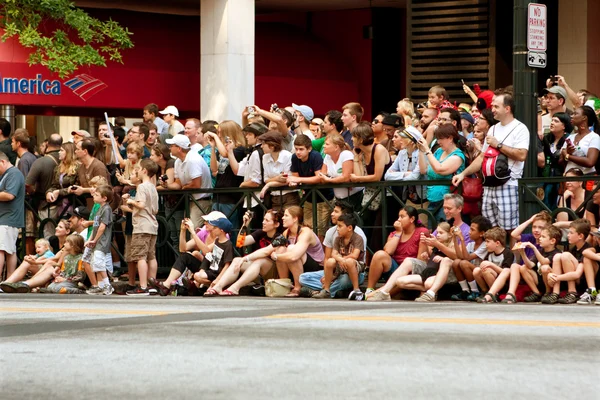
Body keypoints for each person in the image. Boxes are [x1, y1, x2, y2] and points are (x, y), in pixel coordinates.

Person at [453, 92, 530, 232]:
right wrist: (463, 174)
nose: (492, 109)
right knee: (490, 229)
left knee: (510, 230)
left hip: (508, 183)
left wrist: (498, 145)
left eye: (496, 106)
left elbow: (522, 155)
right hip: (489, 184)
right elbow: (482, 157)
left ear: (507, 109)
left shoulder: (520, 128)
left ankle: (510, 254)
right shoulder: (493, 128)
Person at [149, 215, 234, 296]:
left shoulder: (224, 239)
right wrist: (183, 230)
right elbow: (183, 249)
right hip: (208, 267)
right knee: (185, 256)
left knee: (196, 255)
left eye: (209, 222)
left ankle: (198, 286)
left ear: (220, 228)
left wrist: (193, 232)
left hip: (216, 271)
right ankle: (166, 285)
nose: (205, 223)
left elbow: (206, 251)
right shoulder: (204, 233)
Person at [205, 209, 283, 296]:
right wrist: (245, 225)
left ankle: (235, 288)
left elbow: (265, 252)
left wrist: (246, 258)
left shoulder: (280, 236)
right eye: (264, 219)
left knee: (259, 260)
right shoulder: (261, 233)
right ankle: (218, 286)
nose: (263, 222)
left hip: (275, 272)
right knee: (236, 260)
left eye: (267, 220)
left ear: (276, 224)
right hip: (259, 271)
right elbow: (240, 242)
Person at [299, 200, 367, 298]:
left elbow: (355, 257)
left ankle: (319, 291)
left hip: (353, 272)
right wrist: (329, 276)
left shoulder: (358, 234)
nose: (332, 214)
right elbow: (327, 258)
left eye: (336, 212)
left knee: (344, 280)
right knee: (303, 278)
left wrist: (333, 278)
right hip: (336, 270)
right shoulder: (331, 233)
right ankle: (333, 291)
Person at [365, 206, 430, 299]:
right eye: (398, 216)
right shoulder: (395, 233)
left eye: (402, 217)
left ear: (412, 219)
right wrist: (399, 232)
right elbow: (388, 251)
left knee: (405, 269)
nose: (399, 220)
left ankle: (382, 294)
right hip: (395, 270)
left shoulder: (422, 232)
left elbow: (420, 260)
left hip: (411, 271)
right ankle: (370, 290)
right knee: (379, 255)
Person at [0, 222, 71, 293]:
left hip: (60, 270)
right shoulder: (53, 240)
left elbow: (55, 259)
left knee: (49, 265)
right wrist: (32, 259)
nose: (56, 228)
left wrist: (36, 262)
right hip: (50, 267)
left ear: (67, 231)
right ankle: (6, 284)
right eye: (57, 226)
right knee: (27, 262)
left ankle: (24, 284)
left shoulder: (69, 243)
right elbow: (49, 255)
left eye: (60, 227)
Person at [271, 206, 324, 297]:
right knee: (280, 249)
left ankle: (297, 288)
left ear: (295, 218)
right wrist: (246, 258)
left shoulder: (305, 232)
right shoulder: (286, 233)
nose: (283, 218)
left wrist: (276, 256)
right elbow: (269, 249)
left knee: (291, 249)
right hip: (297, 266)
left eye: (286, 215)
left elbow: (294, 256)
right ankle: (285, 285)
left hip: (316, 269)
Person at [394, 222, 454, 302]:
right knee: (399, 281)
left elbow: (454, 258)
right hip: (427, 273)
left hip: (437, 275)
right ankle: (426, 290)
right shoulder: (435, 246)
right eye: (437, 232)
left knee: (428, 284)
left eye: (441, 233)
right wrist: (426, 258)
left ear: (449, 235)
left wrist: (442, 258)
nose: (438, 235)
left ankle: (431, 292)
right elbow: (431, 262)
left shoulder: (451, 245)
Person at [124, 159, 159, 296]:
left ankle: (143, 286)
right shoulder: (153, 187)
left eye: (138, 169)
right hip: (152, 224)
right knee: (151, 256)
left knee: (140, 256)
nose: (136, 171)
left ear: (145, 171)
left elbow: (141, 205)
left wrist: (131, 201)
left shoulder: (142, 187)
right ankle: (152, 284)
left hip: (142, 225)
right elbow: (154, 209)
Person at [417, 124, 466, 222]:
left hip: (448, 203)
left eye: (440, 139)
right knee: (433, 232)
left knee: (444, 231)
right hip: (432, 200)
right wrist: (421, 151)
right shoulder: (439, 151)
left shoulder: (458, 156)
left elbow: (439, 169)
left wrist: (427, 150)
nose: (438, 142)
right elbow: (423, 170)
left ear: (450, 138)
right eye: (437, 138)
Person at [287, 134, 332, 239]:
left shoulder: (315, 156)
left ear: (309, 149)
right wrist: (294, 181)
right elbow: (295, 177)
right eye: (296, 149)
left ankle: (320, 254)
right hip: (308, 198)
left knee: (320, 230)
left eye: (301, 149)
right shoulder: (294, 157)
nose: (298, 152)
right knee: (307, 228)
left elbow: (319, 178)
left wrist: (299, 180)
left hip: (324, 198)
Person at [313, 213, 365, 301]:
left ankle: (356, 290)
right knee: (330, 261)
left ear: (349, 228)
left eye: (340, 226)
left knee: (349, 261)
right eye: (337, 226)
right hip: (341, 265)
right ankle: (326, 290)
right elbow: (333, 254)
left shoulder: (358, 238)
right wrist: (340, 259)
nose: (337, 229)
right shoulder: (338, 239)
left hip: (355, 265)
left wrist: (343, 259)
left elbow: (355, 255)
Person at [165, 134, 212, 229]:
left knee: (193, 230)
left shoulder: (193, 159)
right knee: (186, 229)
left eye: (172, 145)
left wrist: (185, 187)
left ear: (179, 148)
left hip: (201, 201)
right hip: (191, 200)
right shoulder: (178, 161)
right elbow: (178, 183)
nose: (169, 148)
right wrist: (167, 185)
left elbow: (196, 185)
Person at [206, 120, 247, 228]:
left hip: (231, 197)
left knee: (229, 229)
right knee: (215, 229)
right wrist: (213, 147)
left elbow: (225, 154)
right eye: (217, 132)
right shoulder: (221, 149)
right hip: (218, 195)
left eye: (220, 132)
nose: (219, 135)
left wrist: (214, 136)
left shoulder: (239, 150)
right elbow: (214, 170)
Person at [545, 219, 595, 304]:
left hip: (583, 281)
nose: (568, 235)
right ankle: (555, 293)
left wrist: (555, 277)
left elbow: (577, 274)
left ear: (580, 236)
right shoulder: (573, 249)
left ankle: (572, 292)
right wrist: (550, 274)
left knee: (565, 255)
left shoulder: (588, 249)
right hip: (571, 278)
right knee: (558, 256)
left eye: (571, 233)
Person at [509, 226, 563, 303]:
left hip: (551, 281)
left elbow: (544, 262)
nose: (540, 238)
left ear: (552, 241)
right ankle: (536, 293)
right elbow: (530, 265)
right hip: (540, 280)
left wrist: (534, 248)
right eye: (540, 236)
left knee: (545, 267)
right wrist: (522, 253)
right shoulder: (541, 250)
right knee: (523, 267)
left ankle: (548, 293)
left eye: (543, 237)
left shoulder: (556, 252)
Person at [25, 133, 62, 238]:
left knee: (47, 234)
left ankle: (50, 254)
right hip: (66, 204)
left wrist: (32, 192)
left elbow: (28, 183)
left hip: (46, 204)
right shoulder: (67, 160)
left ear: (47, 144)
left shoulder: (41, 162)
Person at [449, 216, 493, 301]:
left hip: (480, 276)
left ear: (482, 233)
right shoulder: (471, 245)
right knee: (456, 262)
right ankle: (465, 290)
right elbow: (460, 256)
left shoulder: (485, 245)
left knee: (464, 263)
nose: (469, 232)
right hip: (470, 275)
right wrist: (455, 238)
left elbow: (467, 258)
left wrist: (462, 239)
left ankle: (475, 291)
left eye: (472, 230)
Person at [319, 133, 362, 211]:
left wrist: (329, 180)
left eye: (327, 144)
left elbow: (346, 177)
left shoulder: (346, 154)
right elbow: (322, 176)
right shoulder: (327, 157)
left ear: (336, 147)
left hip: (354, 196)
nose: (323, 146)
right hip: (339, 198)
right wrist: (336, 179)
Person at [84, 185, 115, 296]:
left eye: (97, 195)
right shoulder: (99, 208)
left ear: (104, 198)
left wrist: (95, 240)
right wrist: (90, 240)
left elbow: (102, 227)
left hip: (102, 241)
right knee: (95, 263)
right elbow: (96, 227)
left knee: (99, 263)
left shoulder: (106, 209)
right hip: (97, 241)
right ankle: (102, 286)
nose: (94, 196)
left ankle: (107, 285)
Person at [0, 151, 25, 279]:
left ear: (2, 161)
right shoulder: (5, 174)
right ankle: (9, 281)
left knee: (2, 249)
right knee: (10, 250)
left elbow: (9, 195)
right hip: (6, 217)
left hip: (9, 217)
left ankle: (9, 280)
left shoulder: (14, 174)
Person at [258, 131, 299, 209]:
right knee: (275, 220)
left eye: (263, 144)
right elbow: (266, 179)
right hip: (274, 196)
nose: (261, 146)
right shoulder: (265, 157)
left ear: (272, 146)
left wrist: (269, 184)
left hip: (289, 195)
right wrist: (277, 179)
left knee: (289, 219)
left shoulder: (288, 156)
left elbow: (288, 179)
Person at [475, 227, 515, 303]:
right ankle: (485, 292)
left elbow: (506, 272)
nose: (486, 244)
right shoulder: (490, 253)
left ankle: (495, 294)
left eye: (488, 242)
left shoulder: (508, 253)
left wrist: (491, 265)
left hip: (503, 283)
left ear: (497, 243)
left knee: (487, 270)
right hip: (491, 278)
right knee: (476, 271)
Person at [559, 106, 600, 178]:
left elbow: (590, 162)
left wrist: (568, 156)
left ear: (584, 118)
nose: (571, 116)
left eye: (575, 114)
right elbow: (560, 162)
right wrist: (567, 152)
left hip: (585, 178)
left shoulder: (594, 137)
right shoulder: (570, 137)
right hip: (568, 179)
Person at [542, 112, 571, 207]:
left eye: (556, 121)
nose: (552, 123)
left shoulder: (568, 140)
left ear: (564, 126)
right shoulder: (546, 138)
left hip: (560, 178)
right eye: (552, 120)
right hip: (546, 176)